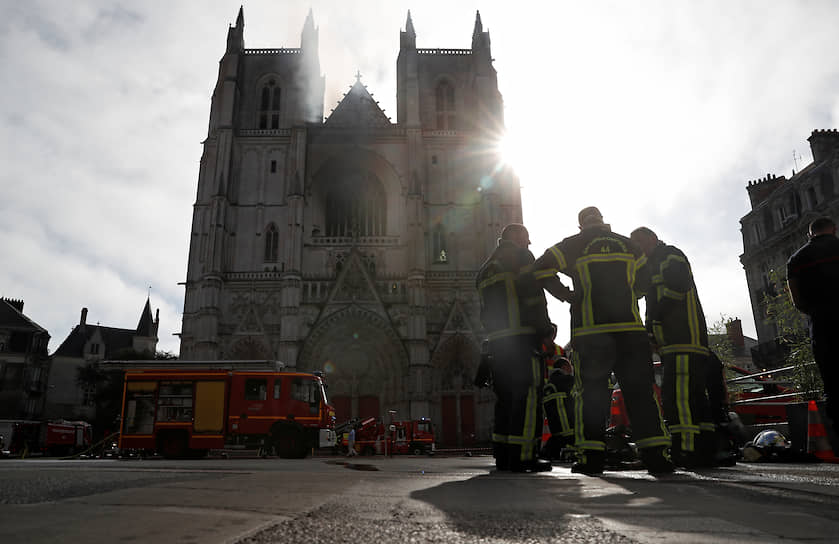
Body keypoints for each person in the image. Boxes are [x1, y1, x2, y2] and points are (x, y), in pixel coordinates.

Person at [531, 207, 673, 475]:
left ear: (581, 224)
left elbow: (539, 269)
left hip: (591, 333)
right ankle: (656, 456)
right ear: (602, 220)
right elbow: (644, 284)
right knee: (641, 393)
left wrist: (567, 295)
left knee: (590, 395)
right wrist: (626, 297)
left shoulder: (574, 244)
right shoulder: (630, 245)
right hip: (630, 332)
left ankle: (591, 459)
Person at [476, 223, 564, 472]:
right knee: (528, 397)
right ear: (514, 237)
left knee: (505, 399)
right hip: (523, 340)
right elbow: (534, 297)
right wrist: (546, 332)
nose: (529, 244)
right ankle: (524, 455)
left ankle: (503, 455)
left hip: (498, 344)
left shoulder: (485, 269)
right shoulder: (520, 258)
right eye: (526, 238)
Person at [630, 226, 715, 468]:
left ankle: (684, 450)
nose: (638, 248)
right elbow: (648, 297)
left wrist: (654, 323)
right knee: (695, 395)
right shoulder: (651, 264)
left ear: (653, 239)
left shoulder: (669, 255)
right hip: (679, 341)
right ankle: (707, 448)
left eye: (640, 242)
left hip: (682, 338)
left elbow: (674, 289)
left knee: (677, 396)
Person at [787, 216, 839, 437]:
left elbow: (796, 300)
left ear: (810, 234)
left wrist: (814, 311)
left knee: (832, 379)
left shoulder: (796, 260)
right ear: (834, 230)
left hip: (822, 324)